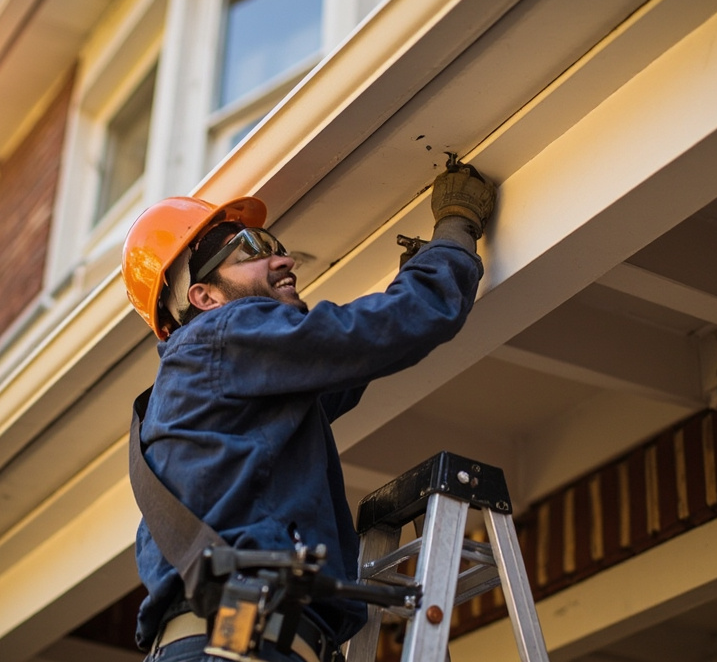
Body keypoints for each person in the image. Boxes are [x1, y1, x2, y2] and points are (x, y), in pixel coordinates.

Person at [122, 164, 496, 662]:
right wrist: (456, 227)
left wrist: (410, 280)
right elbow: (385, 332)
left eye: (275, 244)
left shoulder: (209, 385)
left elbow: (351, 362)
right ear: (204, 297)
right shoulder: (219, 340)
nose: (283, 259)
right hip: (239, 644)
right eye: (252, 249)